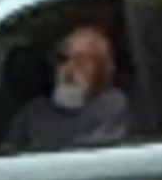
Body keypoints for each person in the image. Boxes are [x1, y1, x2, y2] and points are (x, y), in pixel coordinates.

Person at [11, 23, 131, 151]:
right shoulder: (34, 111)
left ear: (100, 69)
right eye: (64, 59)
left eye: (81, 61)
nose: (69, 70)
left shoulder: (112, 105)